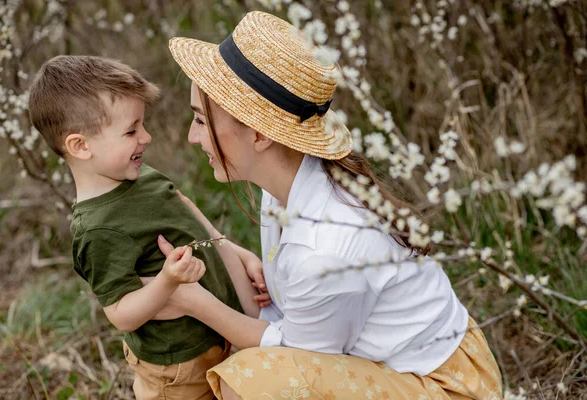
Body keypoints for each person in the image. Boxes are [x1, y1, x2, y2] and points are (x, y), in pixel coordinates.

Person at [154, 10, 504, 400]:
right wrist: (215, 239)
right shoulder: (288, 187)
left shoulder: (326, 246)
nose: (190, 136)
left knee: (249, 379)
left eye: (200, 120)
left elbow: (295, 362)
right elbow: (282, 323)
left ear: (257, 134)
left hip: (446, 387)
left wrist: (194, 303)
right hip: (393, 365)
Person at [28, 55, 268, 400]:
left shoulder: (141, 177)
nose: (147, 136)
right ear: (80, 146)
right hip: (178, 365)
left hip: (218, 333)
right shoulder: (98, 229)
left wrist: (237, 253)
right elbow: (122, 314)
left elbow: (188, 217)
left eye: (142, 124)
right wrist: (168, 282)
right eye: (131, 130)